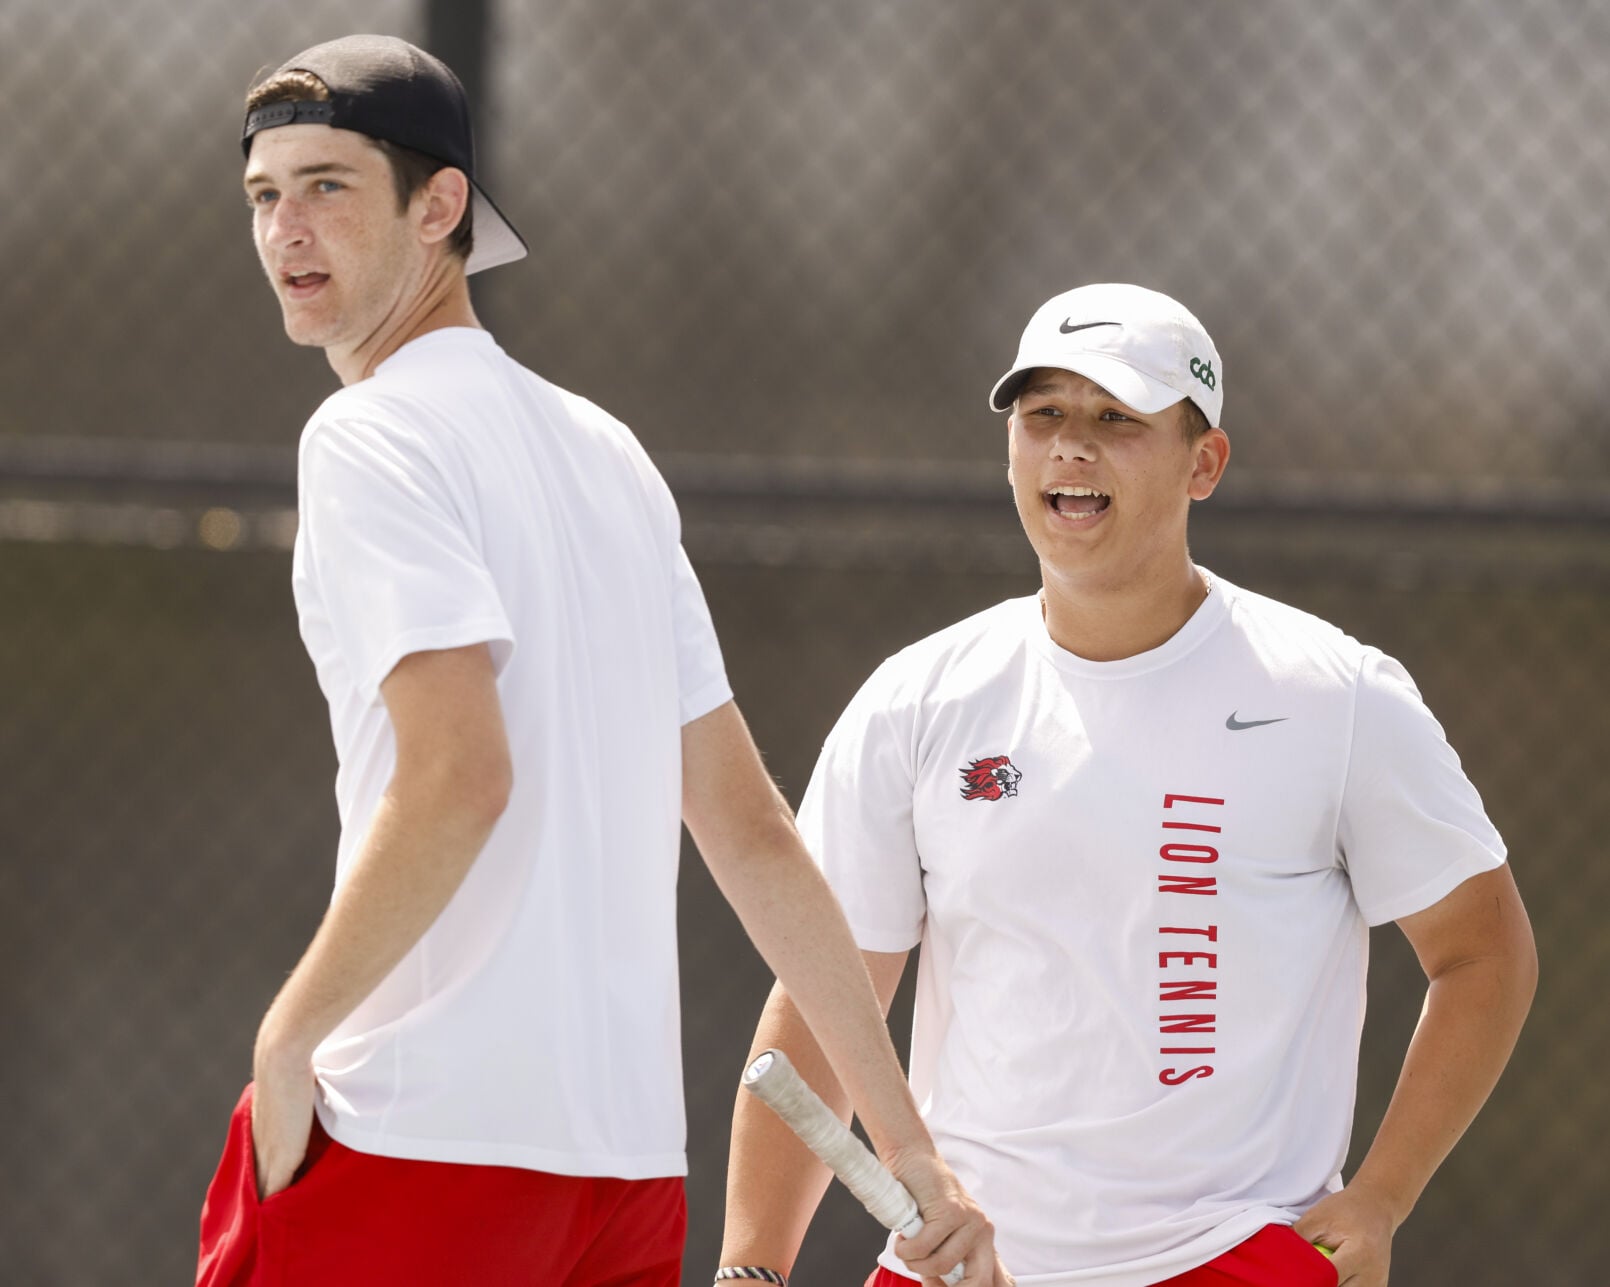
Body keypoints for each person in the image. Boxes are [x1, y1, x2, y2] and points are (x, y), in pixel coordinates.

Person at [195, 34, 1002, 1287]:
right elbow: (749, 831)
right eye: (263, 195)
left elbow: (462, 776)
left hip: (414, 1147)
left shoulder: (365, 438)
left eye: (328, 186)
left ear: (440, 205)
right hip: (620, 1182)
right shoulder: (608, 454)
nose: (285, 229)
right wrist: (908, 1153)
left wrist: (287, 1038)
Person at [719, 283, 1537, 1287]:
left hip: (1228, 1258)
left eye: (1116, 420)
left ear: (1204, 463)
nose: (1070, 447)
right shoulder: (916, 700)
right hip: (955, 1267)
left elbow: (1481, 951)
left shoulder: (1334, 695)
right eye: (1043, 416)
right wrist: (749, 1270)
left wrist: (1380, 1198)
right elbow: (818, 998)